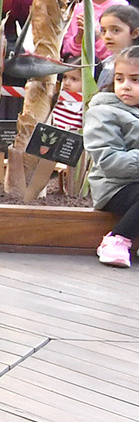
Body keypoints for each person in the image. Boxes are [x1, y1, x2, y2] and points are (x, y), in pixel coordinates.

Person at [85, 45, 139, 267]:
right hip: (115, 187)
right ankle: (116, 239)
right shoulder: (103, 112)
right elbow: (108, 161)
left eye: (135, 80)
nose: (125, 86)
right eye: (120, 78)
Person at [98, 3, 139, 87]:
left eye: (116, 30)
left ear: (135, 33)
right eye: (103, 31)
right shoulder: (106, 63)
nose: (107, 36)